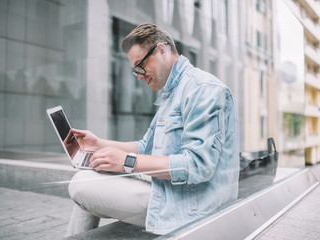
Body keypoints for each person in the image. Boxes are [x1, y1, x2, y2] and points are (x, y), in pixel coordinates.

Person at [66, 22, 239, 236]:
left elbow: (198, 165)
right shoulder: (172, 93)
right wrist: (99, 143)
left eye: (140, 65)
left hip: (192, 204)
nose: (139, 75)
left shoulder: (202, 89)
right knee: (92, 176)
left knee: (81, 185)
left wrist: (127, 162)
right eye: (135, 70)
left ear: (161, 50)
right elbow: (145, 146)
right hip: (174, 190)